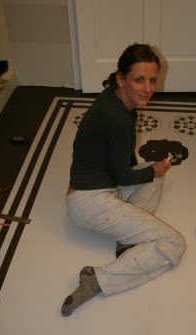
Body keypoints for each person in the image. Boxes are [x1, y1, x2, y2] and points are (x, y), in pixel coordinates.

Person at [61, 43, 186, 317]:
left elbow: (124, 163)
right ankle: (100, 279)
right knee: (174, 242)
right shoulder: (116, 117)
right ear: (121, 78)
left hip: (99, 189)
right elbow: (122, 174)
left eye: (152, 80)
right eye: (139, 79)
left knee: (154, 172)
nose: (147, 88)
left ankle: (126, 240)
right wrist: (152, 172)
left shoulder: (116, 100)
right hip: (88, 203)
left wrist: (151, 172)